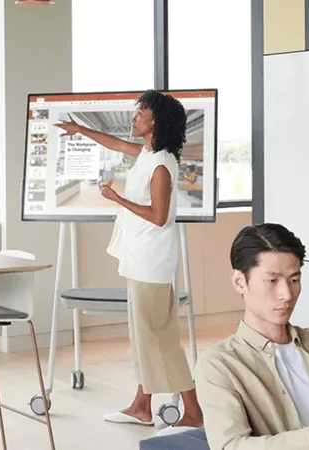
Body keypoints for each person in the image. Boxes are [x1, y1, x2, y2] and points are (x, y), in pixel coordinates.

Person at [54, 90, 204, 431]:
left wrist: (115, 198)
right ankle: (141, 406)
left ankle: (193, 412)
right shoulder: (147, 155)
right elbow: (114, 143)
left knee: (158, 338)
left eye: (141, 113)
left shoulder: (162, 166)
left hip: (151, 264)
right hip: (141, 261)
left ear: (157, 122)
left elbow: (159, 216)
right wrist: (81, 131)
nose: (134, 118)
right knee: (145, 336)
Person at [195, 223, 309, 450]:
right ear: (239, 282)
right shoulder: (219, 365)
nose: (286, 294)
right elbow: (230, 446)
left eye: (294, 280)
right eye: (272, 280)